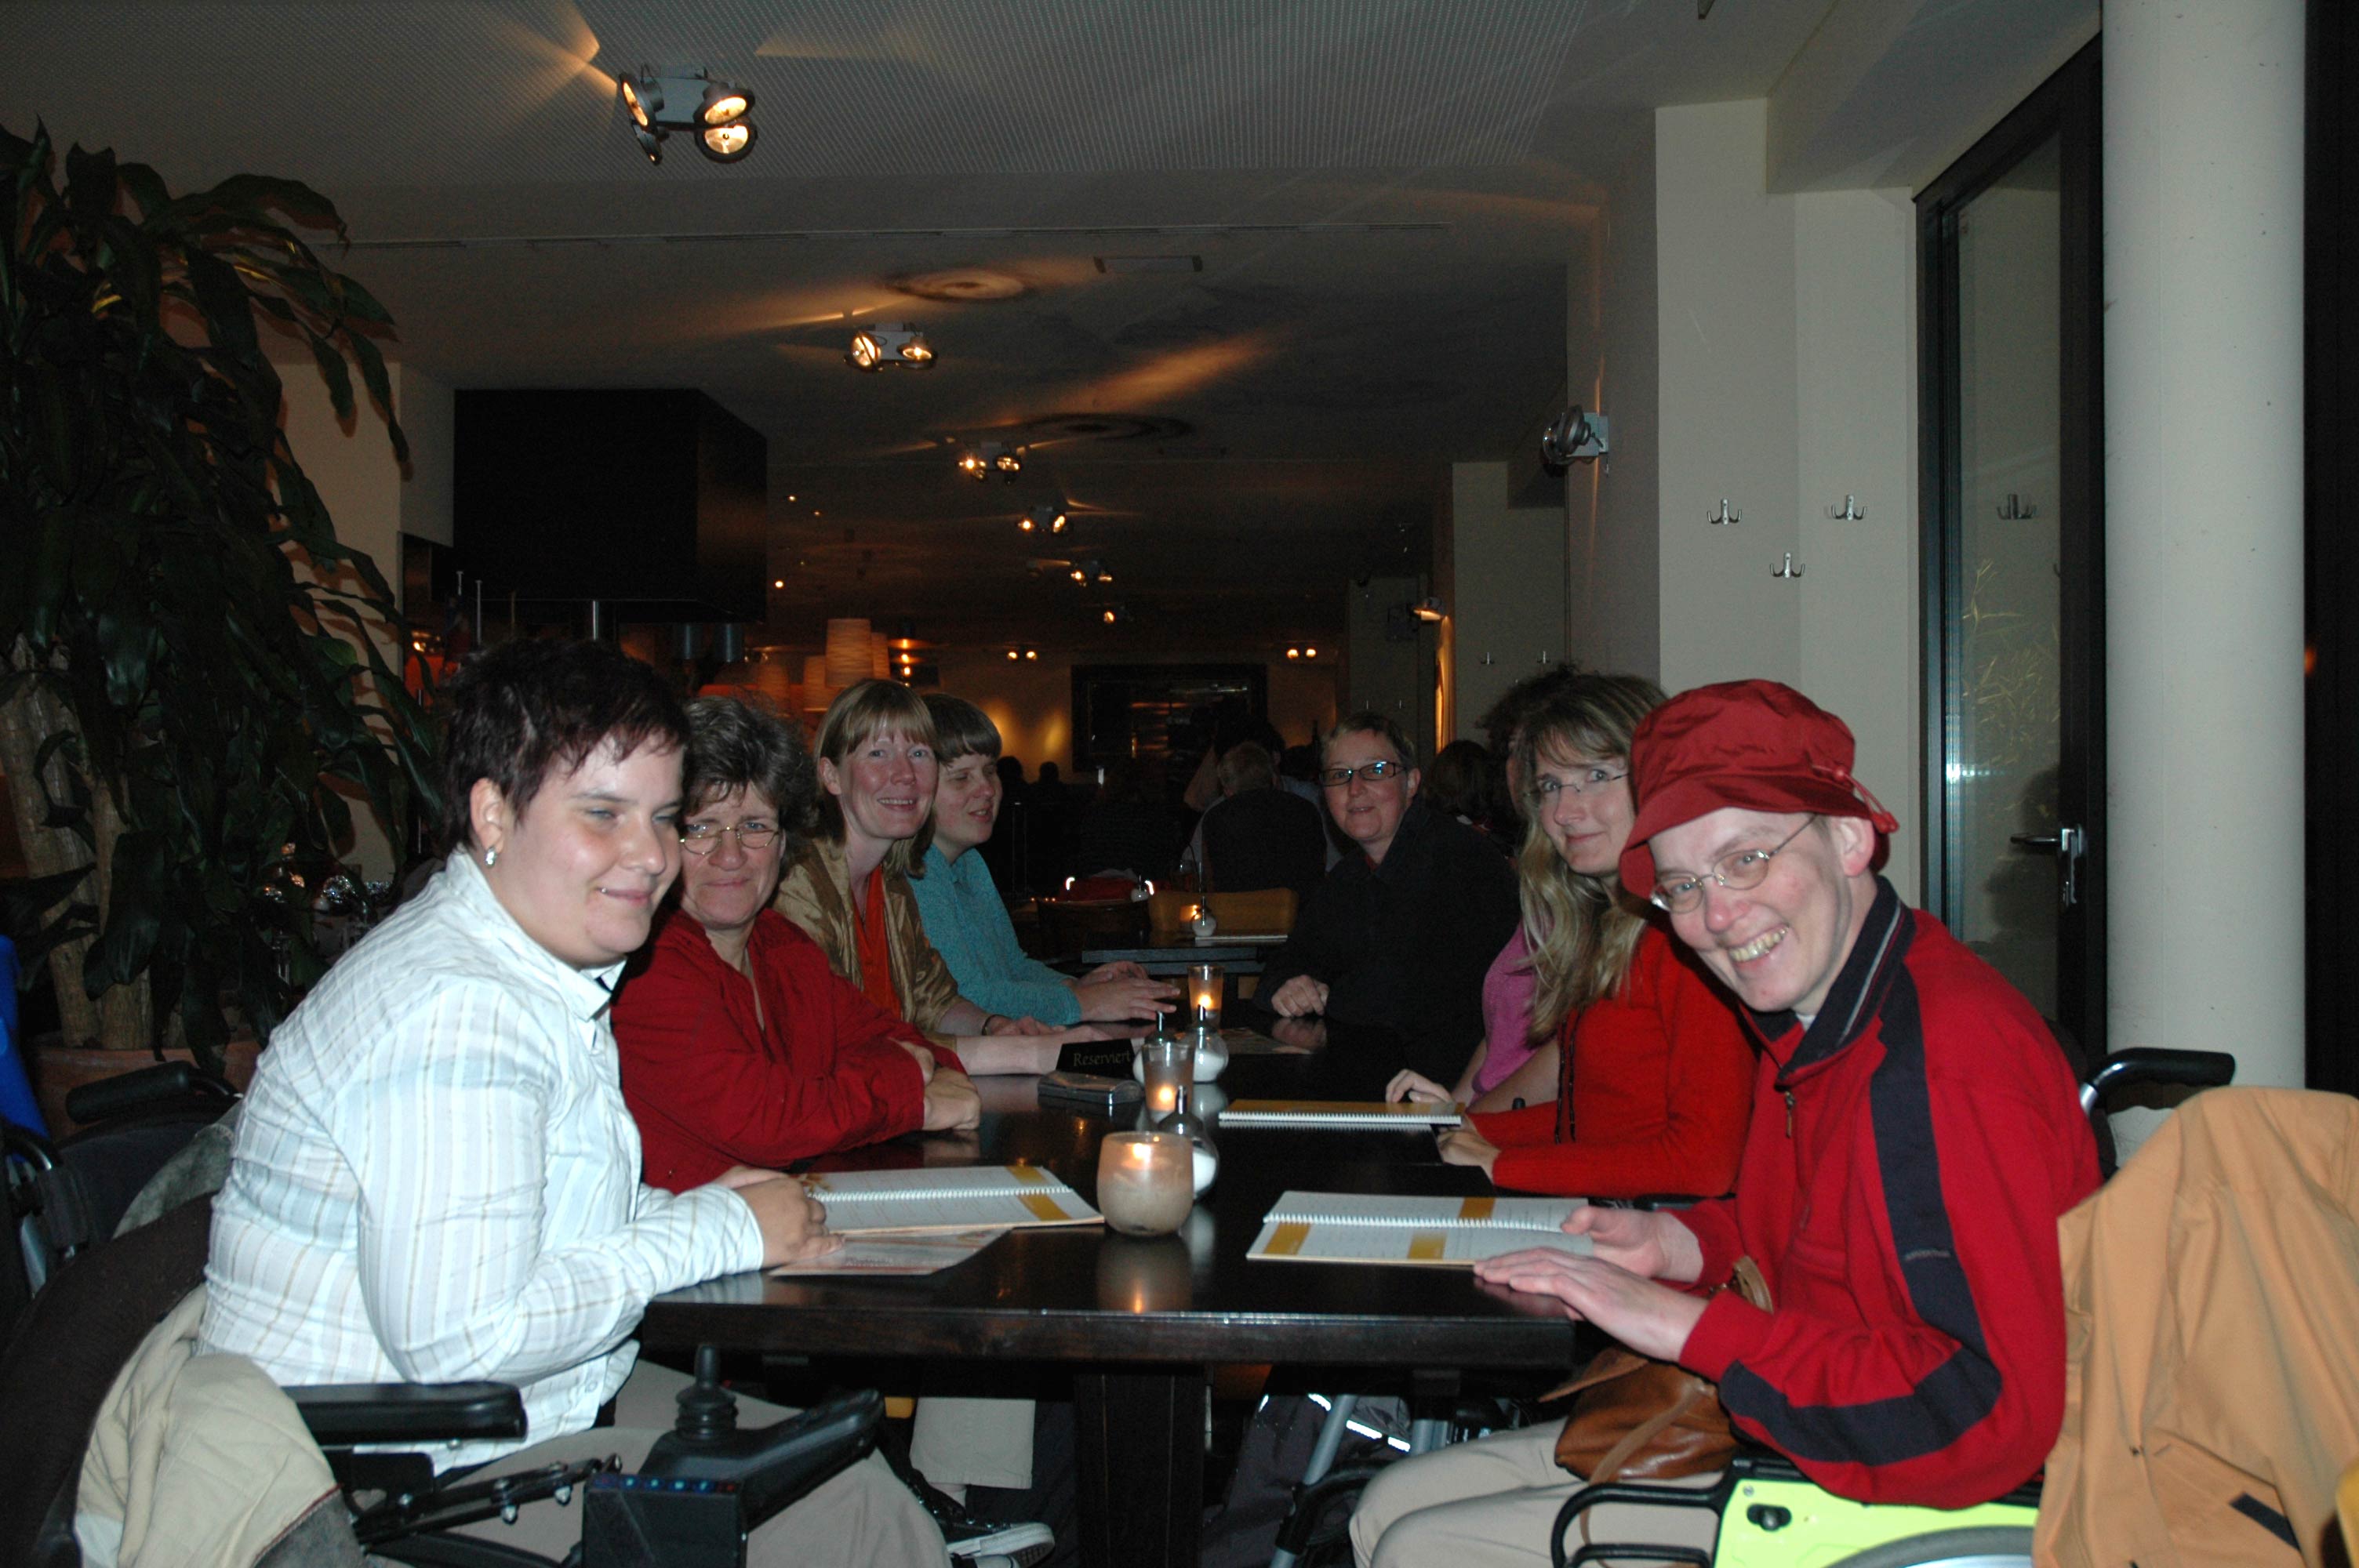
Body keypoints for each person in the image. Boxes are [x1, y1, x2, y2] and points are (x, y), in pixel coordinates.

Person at [199, 639, 943, 1566]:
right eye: (603, 813)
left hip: (505, 1413)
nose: (652, 855)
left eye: (663, 816)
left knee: (850, 1460)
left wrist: (705, 1210)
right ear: (492, 813)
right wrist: (725, 1228)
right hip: (380, 1482)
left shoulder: (530, 967)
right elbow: (469, 1338)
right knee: (861, 1515)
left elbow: (544, 1216)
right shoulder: (456, 1010)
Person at [1352, 681, 2100, 1566]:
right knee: (1388, 1499)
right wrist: (1675, 1243)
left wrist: (1684, 1326)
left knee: (1418, 1545)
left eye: (1745, 859)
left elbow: (1979, 1412)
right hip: (1798, 1423)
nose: (1713, 915)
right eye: (1681, 884)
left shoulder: (1940, 1060)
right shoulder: (1813, 1023)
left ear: (1850, 837)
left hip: (1913, 1497)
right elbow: (1801, 1228)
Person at [1384, 675, 1751, 1197]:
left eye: (1597, 775)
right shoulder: (1605, 926)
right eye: (1552, 785)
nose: (1563, 811)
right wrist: (1462, 1127)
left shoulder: (1690, 939)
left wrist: (1502, 1162)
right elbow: (1590, 1123)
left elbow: (1705, 1164)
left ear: (1656, 777)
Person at [612, 696, 982, 1192]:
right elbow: (769, 1123)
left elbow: (923, 1050)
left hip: (788, 1225)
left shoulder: (783, 947)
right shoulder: (646, 965)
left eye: (755, 827)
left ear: (786, 843)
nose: (731, 855)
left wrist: (828, 1098)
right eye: (699, 829)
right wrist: (916, 1098)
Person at [775, 680, 1100, 1074]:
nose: (906, 774)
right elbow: (842, 1043)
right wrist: (1025, 1053)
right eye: (879, 753)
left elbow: (936, 999)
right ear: (831, 776)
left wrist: (994, 1026)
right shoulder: (797, 882)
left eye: (919, 753)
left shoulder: (892, 879)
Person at [1259, 713, 1518, 1084]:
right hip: (1385, 1073)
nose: (1355, 788)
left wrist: (1328, 994)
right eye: (1339, 775)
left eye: (1376, 770)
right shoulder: (1349, 876)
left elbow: (1412, 998)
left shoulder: (1459, 861)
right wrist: (1289, 986)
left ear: (1412, 783)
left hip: (1464, 1091)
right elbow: (1288, 963)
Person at [910, 693, 1175, 1027]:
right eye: (962, 777)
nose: (988, 790)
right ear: (916, 788)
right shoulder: (916, 872)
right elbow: (965, 997)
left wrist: (1074, 984)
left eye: (990, 771)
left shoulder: (970, 863)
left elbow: (1014, 967)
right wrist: (1080, 1002)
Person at [1194, 740, 1329, 898]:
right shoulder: (1305, 810)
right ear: (1273, 778)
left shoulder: (1215, 819)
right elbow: (1319, 868)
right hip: (1301, 917)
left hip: (1235, 917)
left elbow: (1209, 881)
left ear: (1228, 790)